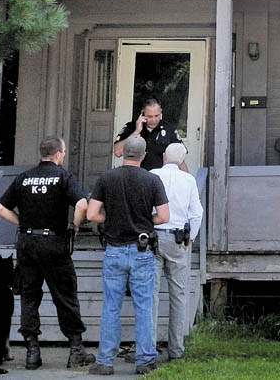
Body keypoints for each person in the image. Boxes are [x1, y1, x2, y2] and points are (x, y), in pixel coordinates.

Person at [0, 135, 95, 370]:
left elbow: (0, 209)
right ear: (59, 154)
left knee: (29, 297)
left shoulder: (24, 178)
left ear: (42, 153)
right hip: (54, 243)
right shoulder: (63, 177)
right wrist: (75, 226)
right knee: (65, 296)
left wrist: (22, 223)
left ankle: (32, 353)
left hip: (28, 243)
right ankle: (76, 350)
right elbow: (82, 204)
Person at [87, 134, 170, 376]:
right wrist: (146, 222)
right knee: (143, 307)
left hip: (113, 250)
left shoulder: (107, 177)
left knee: (111, 307)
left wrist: (110, 218)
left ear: (123, 153)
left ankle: (104, 361)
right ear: (144, 156)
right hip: (142, 251)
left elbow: (92, 214)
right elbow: (164, 217)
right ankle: (144, 360)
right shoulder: (152, 180)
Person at [151, 143, 203, 361]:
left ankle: (148, 348)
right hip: (177, 238)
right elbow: (197, 213)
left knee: (150, 295)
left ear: (164, 157)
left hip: (152, 237)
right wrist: (190, 238)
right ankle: (176, 350)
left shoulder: (152, 175)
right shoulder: (189, 180)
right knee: (179, 295)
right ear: (182, 161)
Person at [113, 98, 187, 171]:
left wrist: (189, 180)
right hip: (137, 177)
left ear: (161, 112)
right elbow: (117, 152)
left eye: (157, 115)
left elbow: (180, 160)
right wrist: (136, 132)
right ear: (143, 113)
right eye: (149, 116)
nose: (154, 120)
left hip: (160, 178)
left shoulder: (169, 129)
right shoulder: (131, 127)